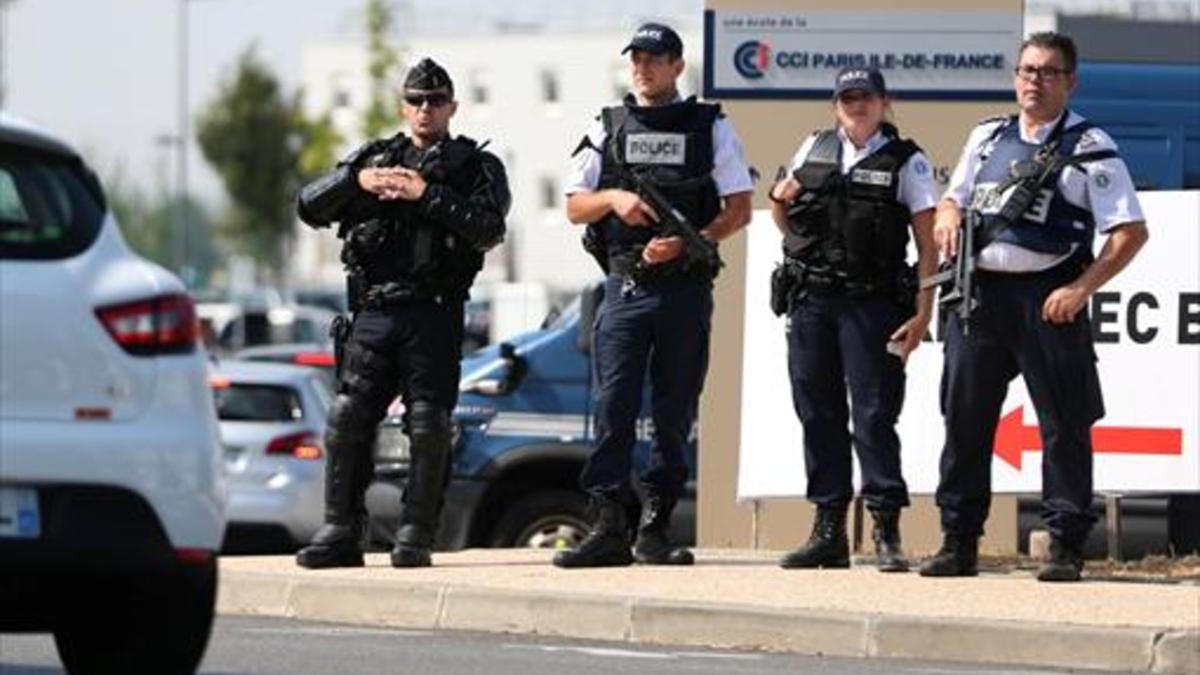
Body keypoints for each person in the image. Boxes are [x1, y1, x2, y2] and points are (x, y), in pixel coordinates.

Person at [919, 32, 1148, 582]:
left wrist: (1081, 289)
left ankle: (1066, 544)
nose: (1034, 82)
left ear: (1070, 80)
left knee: (1064, 424)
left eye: (1047, 72)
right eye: (1026, 71)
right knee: (965, 421)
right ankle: (958, 540)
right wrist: (949, 212)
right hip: (981, 298)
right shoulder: (988, 135)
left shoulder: (1090, 145)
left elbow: (1130, 232)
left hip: (1049, 298)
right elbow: (956, 196)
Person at [293, 58, 510, 569]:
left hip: (434, 313)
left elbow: (488, 228)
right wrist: (357, 182)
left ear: (452, 106)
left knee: (428, 424)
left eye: (436, 100)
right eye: (416, 100)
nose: (425, 109)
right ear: (403, 106)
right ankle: (341, 528)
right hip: (374, 313)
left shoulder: (476, 167)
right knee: (348, 418)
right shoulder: (376, 158)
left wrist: (426, 195)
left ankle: (416, 531)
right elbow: (308, 206)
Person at [554, 22, 753, 568]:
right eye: (636, 58)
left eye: (654, 58)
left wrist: (694, 243)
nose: (642, 67)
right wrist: (615, 197)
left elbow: (737, 206)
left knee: (672, 411)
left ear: (676, 66)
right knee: (612, 406)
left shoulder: (709, 124)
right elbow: (574, 205)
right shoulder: (608, 123)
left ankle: (656, 529)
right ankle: (607, 526)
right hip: (625, 285)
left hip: (683, 287)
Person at [767, 67, 938, 572]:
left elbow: (929, 245)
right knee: (817, 412)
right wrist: (786, 211)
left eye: (865, 96)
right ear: (835, 103)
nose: (856, 105)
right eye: (847, 97)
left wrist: (923, 314)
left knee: (874, 415)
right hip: (813, 300)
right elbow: (783, 211)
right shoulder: (814, 148)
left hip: (874, 303)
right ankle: (828, 530)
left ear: (884, 102)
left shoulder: (907, 160)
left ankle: (886, 530)